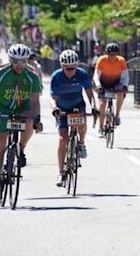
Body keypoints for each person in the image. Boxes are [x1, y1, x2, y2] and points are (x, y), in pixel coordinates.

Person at [0, 44, 41, 199]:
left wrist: (37, 117)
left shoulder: (32, 76)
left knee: (30, 122)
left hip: (22, 108)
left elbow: (35, 101)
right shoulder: (0, 74)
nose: (19, 65)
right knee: (0, 143)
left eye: (23, 61)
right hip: (2, 109)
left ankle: (21, 148)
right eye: (16, 61)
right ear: (10, 60)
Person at [50, 50, 96, 187]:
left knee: (82, 122)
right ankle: (60, 172)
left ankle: (81, 143)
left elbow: (89, 93)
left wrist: (93, 107)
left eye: (72, 68)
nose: (70, 71)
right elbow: (52, 97)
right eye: (67, 68)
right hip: (62, 108)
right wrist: (54, 109)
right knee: (62, 139)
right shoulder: (56, 76)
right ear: (62, 66)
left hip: (77, 106)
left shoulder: (82, 74)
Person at [93, 43, 129, 136]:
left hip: (115, 83)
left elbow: (125, 75)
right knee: (102, 104)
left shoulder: (121, 61)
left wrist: (125, 86)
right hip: (103, 83)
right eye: (110, 54)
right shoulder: (102, 60)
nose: (113, 56)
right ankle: (101, 127)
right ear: (107, 53)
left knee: (121, 93)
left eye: (115, 54)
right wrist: (98, 85)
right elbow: (96, 75)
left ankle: (117, 115)